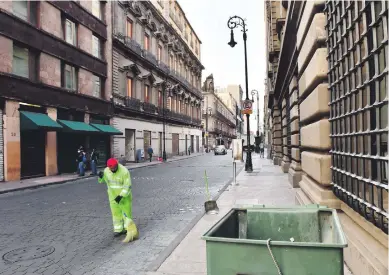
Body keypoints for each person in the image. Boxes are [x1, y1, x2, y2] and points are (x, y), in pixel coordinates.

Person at [98, 158, 139, 243]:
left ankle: (127, 229)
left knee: (126, 214)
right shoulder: (106, 171)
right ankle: (118, 229)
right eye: (111, 169)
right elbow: (102, 181)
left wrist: (121, 196)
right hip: (112, 197)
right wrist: (100, 177)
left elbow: (127, 186)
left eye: (114, 168)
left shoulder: (124, 171)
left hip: (124, 198)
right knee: (116, 214)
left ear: (117, 165)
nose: (113, 170)